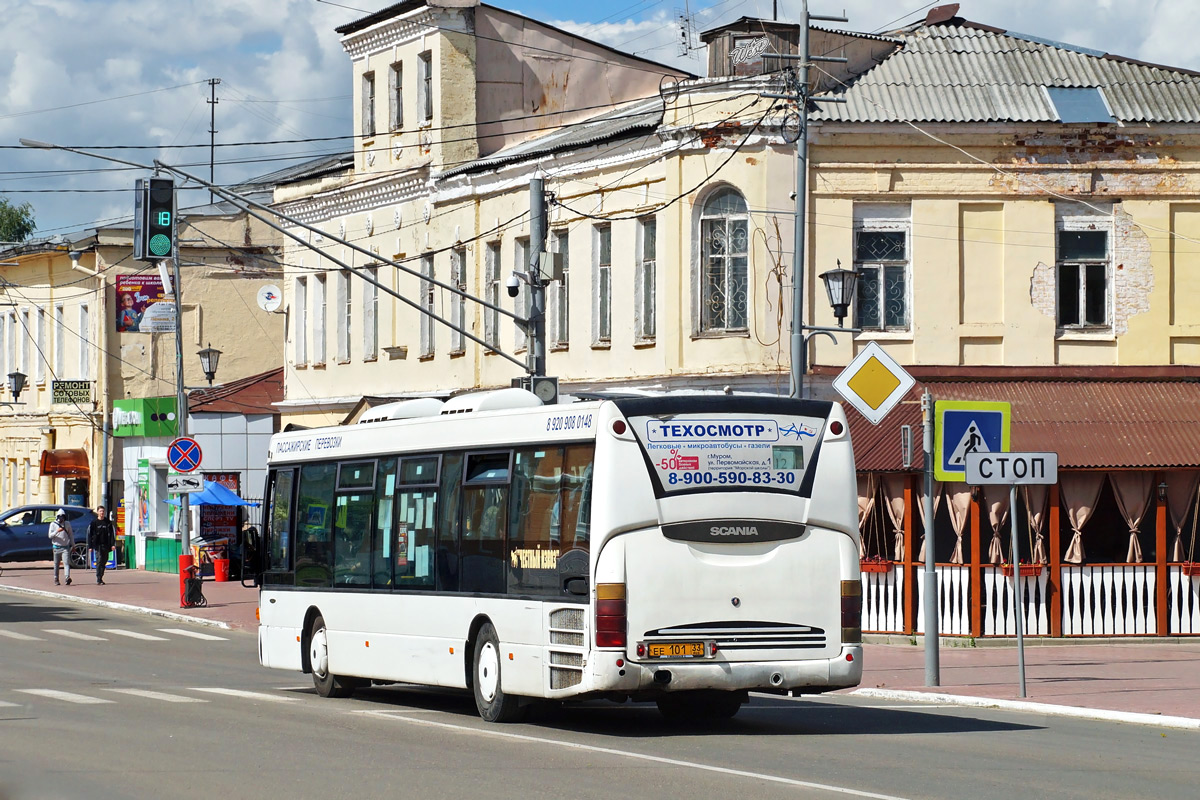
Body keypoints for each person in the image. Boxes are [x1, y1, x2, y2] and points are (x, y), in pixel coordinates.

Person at [87, 505, 116, 585]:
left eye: (103, 511)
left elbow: (111, 534)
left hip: (106, 544)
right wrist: (90, 546)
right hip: (97, 545)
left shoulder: (108, 523)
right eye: (100, 511)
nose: (102, 513)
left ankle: (101, 576)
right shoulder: (94, 523)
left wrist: (113, 544)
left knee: (104, 561)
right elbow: (90, 535)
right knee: (99, 560)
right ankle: (98, 578)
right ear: (98, 512)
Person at [48, 509, 74, 586]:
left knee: (66, 563)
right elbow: (50, 535)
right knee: (56, 564)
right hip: (56, 547)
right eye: (60, 517)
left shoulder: (67, 524)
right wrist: (57, 531)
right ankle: (56, 578)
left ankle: (67, 577)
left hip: (65, 547)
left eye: (62, 517)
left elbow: (71, 535)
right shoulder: (53, 524)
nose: (61, 519)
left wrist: (73, 545)